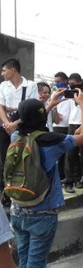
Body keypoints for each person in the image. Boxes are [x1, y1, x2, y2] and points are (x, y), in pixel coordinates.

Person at [10, 91, 83, 268]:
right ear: (42, 117)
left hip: (18, 211)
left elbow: (26, 119)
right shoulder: (52, 140)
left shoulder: (16, 135)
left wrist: (48, 103)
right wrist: (82, 105)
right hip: (42, 215)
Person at [0, 59, 38, 203]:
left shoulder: (31, 86)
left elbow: (31, 109)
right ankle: (7, 192)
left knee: (22, 160)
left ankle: (22, 189)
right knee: (5, 160)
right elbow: (0, 107)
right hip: (6, 126)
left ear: (13, 70)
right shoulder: (3, 85)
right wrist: (7, 124)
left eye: (4, 70)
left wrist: (15, 124)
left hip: (23, 126)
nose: (2, 73)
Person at [51, 72, 72, 182]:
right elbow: (52, 106)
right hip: (57, 126)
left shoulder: (71, 93)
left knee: (68, 153)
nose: (57, 83)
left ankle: (67, 176)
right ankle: (59, 176)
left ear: (65, 81)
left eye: (58, 81)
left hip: (68, 125)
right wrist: (56, 114)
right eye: (55, 82)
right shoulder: (54, 94)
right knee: (58, 153)